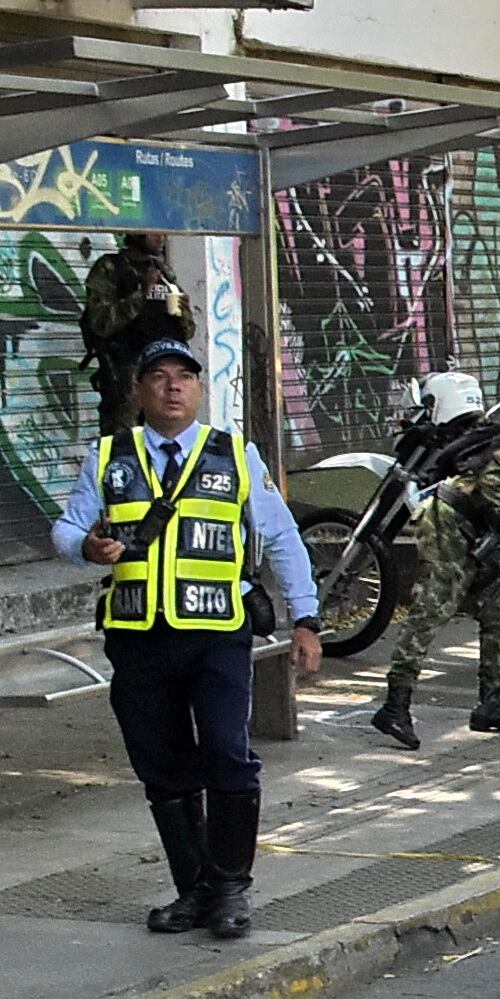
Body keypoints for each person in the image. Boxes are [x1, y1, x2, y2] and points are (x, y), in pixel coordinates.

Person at [53, 337, 321, 940]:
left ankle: (230, 890)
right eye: (159, 376)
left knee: (228, 754)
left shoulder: (234, 454)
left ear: (200, 390)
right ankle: (193, 890)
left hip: (216, 638)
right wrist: (86, 547)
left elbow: (281, 539)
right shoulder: (108, 458)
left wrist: (306, 618)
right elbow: (67, 528)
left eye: (185, 376)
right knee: (163, 768)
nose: (173, 386)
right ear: (138, 391)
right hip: (139, 640)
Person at [371, 397, 500, 747]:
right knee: (433, 609)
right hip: (448, 521)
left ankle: (490, 705)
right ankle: (395, 705)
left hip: (475, 535)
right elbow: (494, 480)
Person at [76, 234, 194, 444]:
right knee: (123, 449)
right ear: (136, 234)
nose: (161, 239)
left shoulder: (162, 271)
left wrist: (182, 311)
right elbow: (100, 322)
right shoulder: (110, 268)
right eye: (153, 233)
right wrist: (141, 295)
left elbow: (187, 331)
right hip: (125, 378)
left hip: (162, 378)